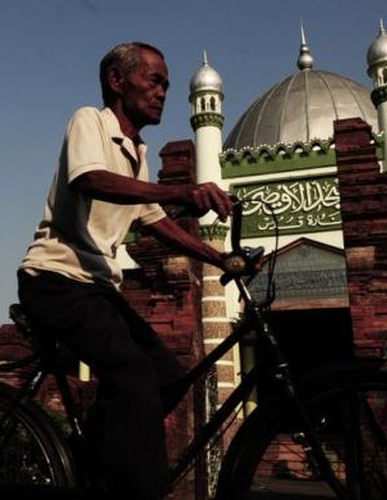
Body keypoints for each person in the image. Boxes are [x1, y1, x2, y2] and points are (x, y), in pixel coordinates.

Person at [17, 42, 233, 499]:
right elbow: (90, 178)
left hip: (96, 287)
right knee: (133, 376)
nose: (162, 93)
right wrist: (182, 193)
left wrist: (221, 258)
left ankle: (90, 458)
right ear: (117, 81)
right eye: (154, 81)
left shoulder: (136, 152)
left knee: (171, 378)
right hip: (56, 279)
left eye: (167, 85)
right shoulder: (89, 122)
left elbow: (156, 222)